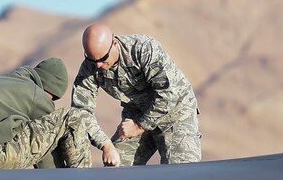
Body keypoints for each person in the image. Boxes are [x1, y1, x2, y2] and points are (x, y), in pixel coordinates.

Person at [72, 24, 202, 166]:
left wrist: (140, 126)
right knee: (115, 167)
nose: (98, 65)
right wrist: (105, 145)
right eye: (92, 59)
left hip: (176, 113)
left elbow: (168, 93)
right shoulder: (90, 67)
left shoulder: (143, 49)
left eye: (103, 58)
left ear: (114, 44)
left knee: (181, 172)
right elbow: (80, 111)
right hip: (137, 115)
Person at [0, 58, 95, 169]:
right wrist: (56, 179)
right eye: (53, 97)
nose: (50, 102)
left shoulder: (1, 81)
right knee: (71, 117)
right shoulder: (35, 93)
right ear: (49, 87)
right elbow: (46, 149)